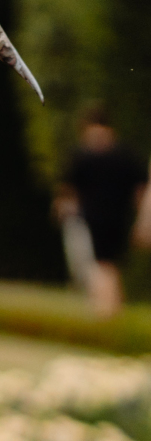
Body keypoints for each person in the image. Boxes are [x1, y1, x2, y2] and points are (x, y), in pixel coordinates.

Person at [58, 104, 148, 320]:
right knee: (110, 265)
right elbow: (140, 190)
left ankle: (105, 311)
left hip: (91, 219)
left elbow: (68, 192)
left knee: (99, 265)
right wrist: (142, 220)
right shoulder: (125, 154)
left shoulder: (82, 155)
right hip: (119, 218)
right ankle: (112, 308)